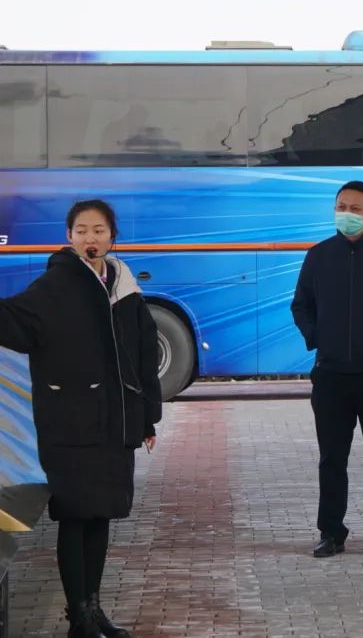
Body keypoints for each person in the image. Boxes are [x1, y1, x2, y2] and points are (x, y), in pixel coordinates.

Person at [0, 199, 161, 638]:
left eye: (99, 231)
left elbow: (144, 354)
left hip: (114, 423)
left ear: (112, 237)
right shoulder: (55, 285)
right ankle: (79, 619)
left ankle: (93, 610)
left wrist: (147, 418)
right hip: (69, 423)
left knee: (100, 516)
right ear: (69, 237)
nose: (91, 238)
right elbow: (13, 322)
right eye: (82, 230)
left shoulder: (123, 286)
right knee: (75, 517)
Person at [291, 181, 363, 559]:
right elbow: (301, 305)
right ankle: (331, 532)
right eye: (342, 206)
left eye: (355, 209)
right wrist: (317, 338)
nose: (347, 214)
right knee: (332, 458)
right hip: (331, 374)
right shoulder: (319, 255)